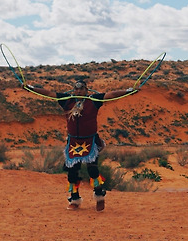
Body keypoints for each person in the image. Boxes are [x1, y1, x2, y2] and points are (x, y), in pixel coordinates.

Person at [22, 76, 136, 211]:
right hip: (73, 142)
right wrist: (31, 89)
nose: (79, 91)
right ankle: (74, 199)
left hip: (90, 141)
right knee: (72, 172)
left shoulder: (94, 100)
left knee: (93, 170)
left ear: (86, 90)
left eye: (81, 88)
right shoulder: (67, 101)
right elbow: (49, 93)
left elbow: (111, 95)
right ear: (73, 90)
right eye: (76, 89)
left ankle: (99, 196)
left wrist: (128, 91)